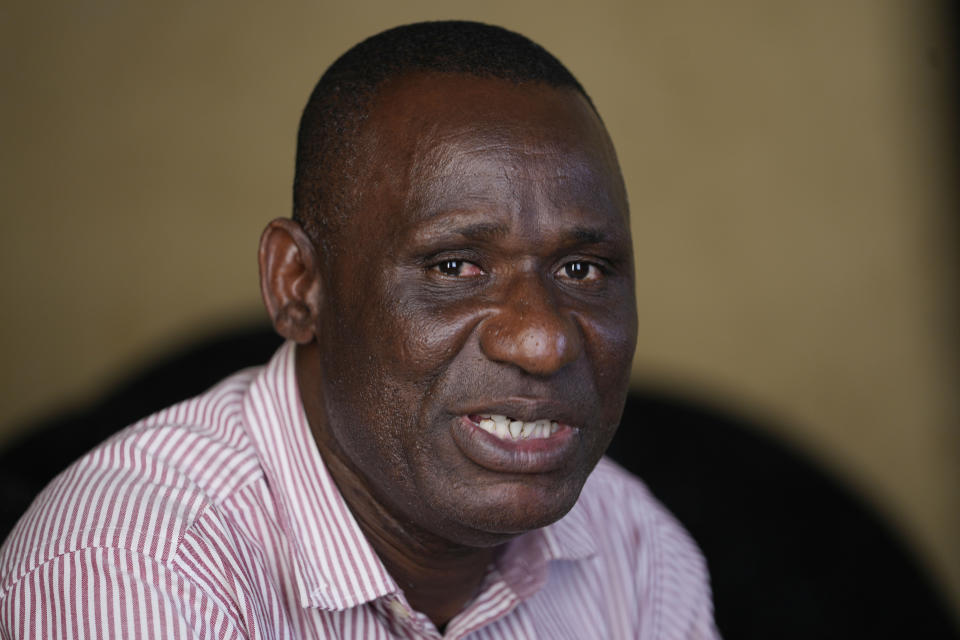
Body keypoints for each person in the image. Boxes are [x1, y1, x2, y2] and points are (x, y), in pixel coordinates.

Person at [0, 21, 718, 638]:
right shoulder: (136, 564)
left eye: (583, 271)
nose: (542, 340)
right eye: (456, 266)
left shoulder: (634, 546)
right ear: (298, 285)